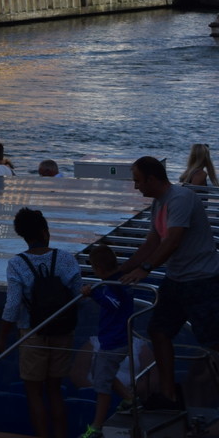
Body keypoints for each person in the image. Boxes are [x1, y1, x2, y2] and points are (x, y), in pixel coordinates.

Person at [116, 155, 219, 408]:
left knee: (214, 341)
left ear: (152, 179)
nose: (136, 186)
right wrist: (121, 270)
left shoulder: (180, 199)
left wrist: (146, 269)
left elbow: (172, 240)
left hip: (201, 281)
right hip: (176, 280)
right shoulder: (159, 203)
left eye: (138, 181)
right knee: (159, 331)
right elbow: (152, 242)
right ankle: (169, 395)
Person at [0, 206, 82, 438]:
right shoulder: (65, 258)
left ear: (23, 236)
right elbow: (77, 295)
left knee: (34, 392)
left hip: (33, 333)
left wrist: (2, 336)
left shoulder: (17, 264)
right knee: (55, 389)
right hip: (63, 331)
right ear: (45, 230)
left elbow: (13, 304)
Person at [83, 244, 135, 438]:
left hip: (115, 342)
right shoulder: (119, 282)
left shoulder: (114, 285)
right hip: (113, 340)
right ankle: (130, 399)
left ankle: (96, 426)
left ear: (99, 269)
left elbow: (113, 303)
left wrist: (93, 294)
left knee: (102, 384)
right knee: (101, 371)